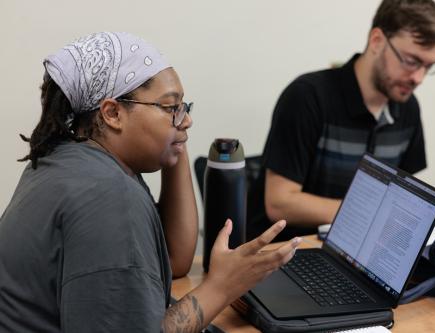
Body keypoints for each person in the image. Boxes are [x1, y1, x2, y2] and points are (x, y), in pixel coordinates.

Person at [0, 32, 301, 332]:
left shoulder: (72, 159)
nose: (187, 120)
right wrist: (223, 286)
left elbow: (174, 259)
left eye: (184, 107)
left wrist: (174, 135)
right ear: (113, 113)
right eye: (171, 107)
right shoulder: (108, 196)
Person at [247, 0, 435, 242]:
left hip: (355, 252)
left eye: (429, 66)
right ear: (377, 41)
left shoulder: (408, 109)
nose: (418, 78)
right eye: (411, 61)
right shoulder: (308, 97)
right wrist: (368, 214)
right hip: (286, 254)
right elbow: (280, 203)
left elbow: (401, 196)